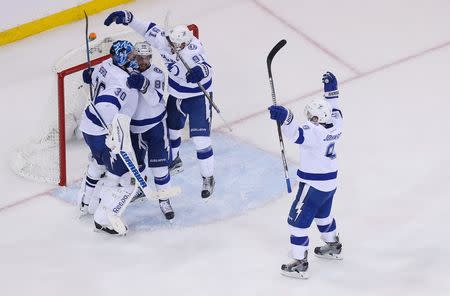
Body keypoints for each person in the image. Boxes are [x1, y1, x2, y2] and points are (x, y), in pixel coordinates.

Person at [104, 11, 216, 200]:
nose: (173, 47)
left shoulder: (193, 49)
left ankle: (208, 177)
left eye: (178, 45)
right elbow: (147, 28)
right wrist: (128, 18)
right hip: (176, 95)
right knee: (172, 132)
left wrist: (199, 72)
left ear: (185, 43)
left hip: (197, 98)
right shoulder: (165, 41)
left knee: (201, 141)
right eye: (172, 43)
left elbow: (207, 67)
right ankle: (175, 160)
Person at [268, 72, 343, 279]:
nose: (308, 118)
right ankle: (333, 245)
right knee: (323, 215)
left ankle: (300, 262)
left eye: (311, 116)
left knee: (296, 222)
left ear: (317, 119)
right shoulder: (336, 124)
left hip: (313, 184)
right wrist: (331, 91)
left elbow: (296, 134)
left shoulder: (314, 131)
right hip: (330, 183)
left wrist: (286, 117)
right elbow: (335, 108)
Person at [77, 40, 140, 234]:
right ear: (122, 58)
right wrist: (113, 134)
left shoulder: (105, 64)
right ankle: (102, 220)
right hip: (101, 130)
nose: (134, 58)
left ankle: (85, 202)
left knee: (98, 163)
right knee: (125, 176)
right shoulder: (122, 82)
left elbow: (92, 76)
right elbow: (107, 103)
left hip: (88, 126)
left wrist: (89, 76)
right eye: (130, 56)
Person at [127, 41, 175, 220]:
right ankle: (139, 189)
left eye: (146, 57)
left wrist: (142, 84)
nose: (143, 61)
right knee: (136, 165)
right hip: (134, 127)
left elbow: (154, 101)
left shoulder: (156, 74)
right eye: (140, 57)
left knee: (160, 167)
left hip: (156, 126)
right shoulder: (127, 73)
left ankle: (164, 199)